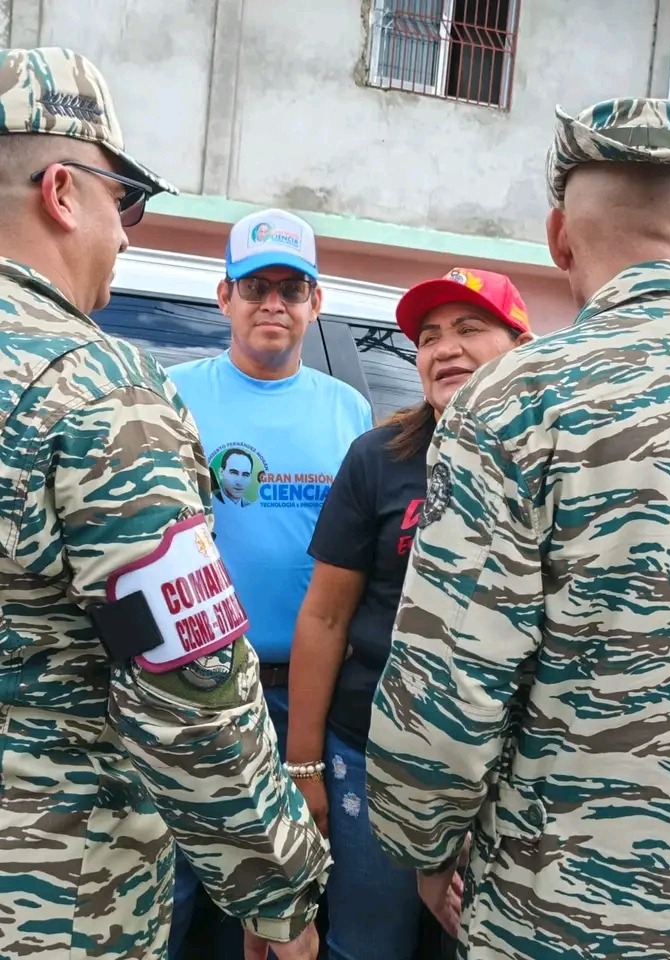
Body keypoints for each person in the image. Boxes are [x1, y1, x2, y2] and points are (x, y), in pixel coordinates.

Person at [366, 97, 670, 960]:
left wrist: (422, 848)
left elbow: (447, 686)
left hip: (560, 907)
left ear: (558, 238)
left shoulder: (516, 401)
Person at [0, 46, 330, 960]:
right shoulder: (98, 392)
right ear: (62, 192)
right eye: (126, 201)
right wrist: (283, 897)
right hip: (52, 892)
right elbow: (188, 691)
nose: (128, 234)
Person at [287, 268, 532, 960]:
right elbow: (325, 618)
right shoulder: (379, 457)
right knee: (369, 944)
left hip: (511, 772)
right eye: (428, 337)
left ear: (521, 345)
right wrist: (304, 768)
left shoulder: (553, 459)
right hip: (373, 754)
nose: (444, 348)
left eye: (469, 328)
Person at [168, 208, 373, 956]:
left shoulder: (349, 408)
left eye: (292, 288)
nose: (273, 304)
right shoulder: (170, 392)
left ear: (316, 302)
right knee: (174, 892)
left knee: (280, 904)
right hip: (192, 691)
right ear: (225, 296)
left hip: (304, 699)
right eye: (255, 287)